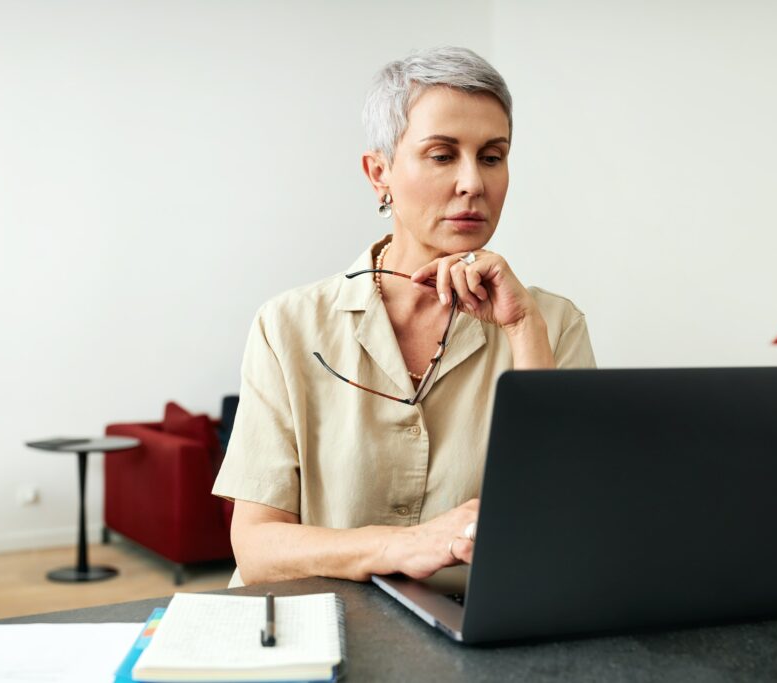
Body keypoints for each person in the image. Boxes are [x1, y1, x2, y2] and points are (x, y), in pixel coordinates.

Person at [212, 46, 595, 587]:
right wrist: (408, 544)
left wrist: (523, 331)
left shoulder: (552, 323)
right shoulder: (287, 325)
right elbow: (257, 547)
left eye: (492, 156)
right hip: (318, 626)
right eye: (442, 155)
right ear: (379, 173)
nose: (473, 183)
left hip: (478, 635)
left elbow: (568, 521)